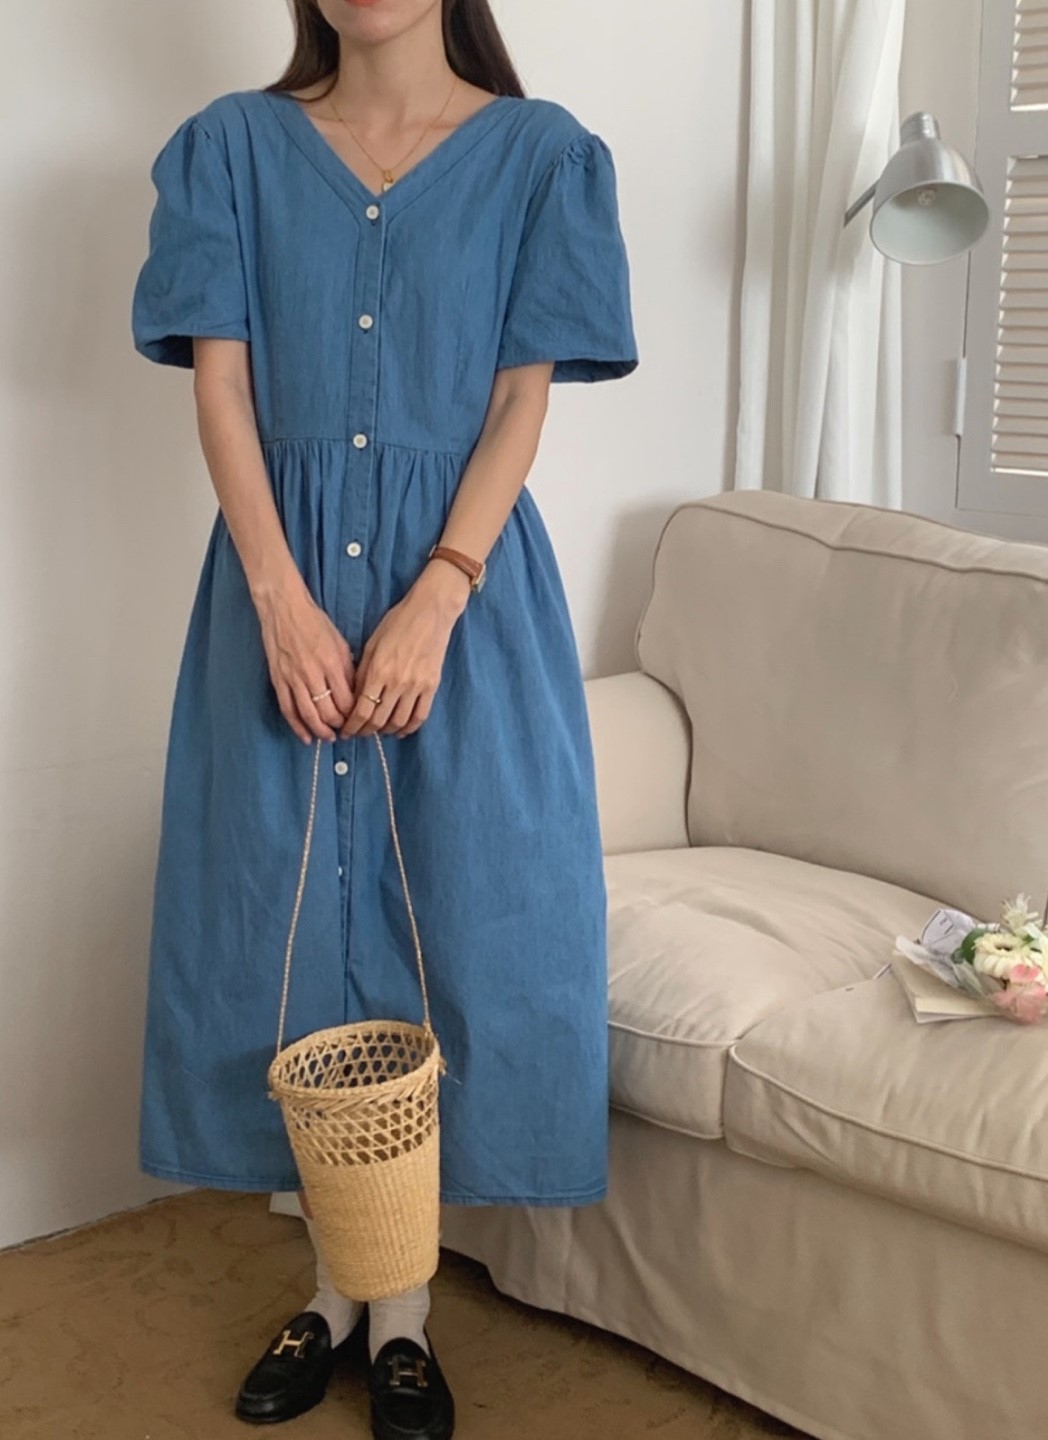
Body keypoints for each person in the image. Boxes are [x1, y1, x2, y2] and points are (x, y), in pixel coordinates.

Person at [130, 0, 639, 1434]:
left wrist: (437, 596)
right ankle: (337, 1291)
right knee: (290, 938)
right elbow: (222, 389)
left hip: (464, 605)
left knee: (468, 919)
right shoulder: (229, 150)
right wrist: (281, 601)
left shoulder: (544, 157)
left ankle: (399, 1311)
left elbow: (521, 401)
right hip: (274, 596)